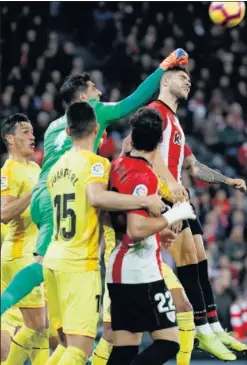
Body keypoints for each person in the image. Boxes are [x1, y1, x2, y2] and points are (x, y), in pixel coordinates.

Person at [0, 48, 189, 318]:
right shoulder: (93, 111)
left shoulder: (54, 125)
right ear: (81, 98)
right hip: (65, 191)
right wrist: (165, 66)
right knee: (48, 263)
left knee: (62, 258)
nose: (99, 94)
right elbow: (132, 102)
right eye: (94, 89)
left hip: (43, 193)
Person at [43, 102, 165, 365]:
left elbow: (89, 209)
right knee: (79, 350)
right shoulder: (96, 164)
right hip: (79, 264)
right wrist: (144, 202)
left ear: (67, 130)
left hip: (53, 260)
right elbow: (96, 198)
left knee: (65, 347)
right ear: (96, 128)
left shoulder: (55, 169)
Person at [149, 65, 246, 357]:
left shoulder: (175, 123)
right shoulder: (155, 113)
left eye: (189, 77)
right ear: (165, 81)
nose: (188, 81)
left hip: (180, 199)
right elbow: (150, 154)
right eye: (182, 77)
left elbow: (194, 167)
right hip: (164, 197)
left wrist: (229, 180)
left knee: (200, 259)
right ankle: (201, 330)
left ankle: (214, 327)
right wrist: (170, 186)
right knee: (189, 257)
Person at [106, 107, 196, 365]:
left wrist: (159, 231)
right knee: (169, 343)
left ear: (131, 137)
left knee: (125, 349)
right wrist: (173, 215)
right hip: (139, 270)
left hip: (120, 266)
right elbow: (135, 229)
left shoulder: (119, 164)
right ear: (159, 141)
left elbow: (128, 219)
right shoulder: (145, 175)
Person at [0, 114, 49, 365]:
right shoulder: (9, 170)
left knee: (40, 327)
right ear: (10, 138)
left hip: (35, 257)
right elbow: (4, 213)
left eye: (32, 131)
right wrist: (34, 192)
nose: (32, 136)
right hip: (19, 255)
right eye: (25, 132)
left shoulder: (35, 168)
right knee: (38, 325)